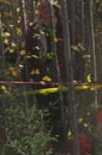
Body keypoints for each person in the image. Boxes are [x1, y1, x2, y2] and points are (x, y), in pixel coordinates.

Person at [25, 2, 68, 144]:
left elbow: (75, 51)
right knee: (47, 114)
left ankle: (64, 146)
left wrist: (76, 75)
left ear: (55, 9)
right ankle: (49, 147)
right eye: (42, 8)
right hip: (42, 77)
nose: (46, 11)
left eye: (48, 8)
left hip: (63, 74)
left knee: (64, 113)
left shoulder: (63, 27)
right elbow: (30, 56)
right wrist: (36, 76)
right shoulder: (34, 30)